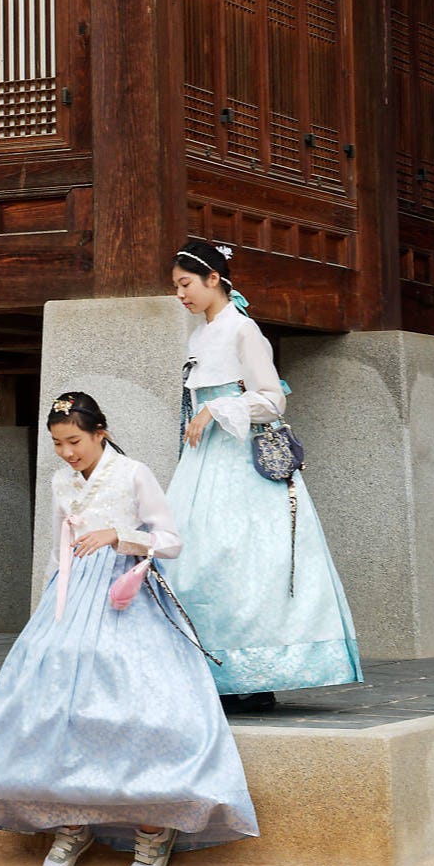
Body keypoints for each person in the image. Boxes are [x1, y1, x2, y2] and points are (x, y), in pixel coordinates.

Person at [0, 390, 258, 866]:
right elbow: (58, 549)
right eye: (57, 444)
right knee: (54, 704)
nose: (67, 452)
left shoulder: (133, 473)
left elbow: (171, 541)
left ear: (101, 433)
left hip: (127, 596)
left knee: (138, 705)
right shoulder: (61, 481)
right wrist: (49, 609)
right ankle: (71, 821)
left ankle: (153, 826)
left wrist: (120, 536)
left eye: (74, 441)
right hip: (72, 595)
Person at [165, 236, 363, 710]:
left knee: (244, 563)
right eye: (176, 286)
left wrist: (215, 409)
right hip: (203, 464)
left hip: (241, 465)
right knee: (196, 561)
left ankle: (254, 679)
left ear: (214, 278)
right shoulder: (200, 336)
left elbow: (273, 399)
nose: (180, 294)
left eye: (186, 283)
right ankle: (213, 673)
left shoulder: (243, 330)